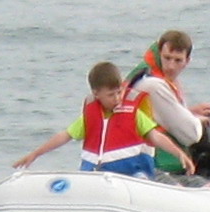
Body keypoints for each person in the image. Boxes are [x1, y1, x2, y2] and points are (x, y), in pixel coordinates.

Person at [11, 60, 191, 178]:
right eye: (111, 95)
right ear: (96, 94)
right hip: (97, 178)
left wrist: (179, 153)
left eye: (119, 92)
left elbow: (155, 136)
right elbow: (64, 136)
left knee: (142, 179)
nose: (118, 98)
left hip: (131, 176)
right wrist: (35, 154)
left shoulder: (133, 113)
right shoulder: (90, 117)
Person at [132, 29, 210, 180]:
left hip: (149, 161)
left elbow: (160, 116)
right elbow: (190, 134)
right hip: (154, 165)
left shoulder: (151, 76)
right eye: (167, 58)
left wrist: (189, 112)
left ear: (187, 61)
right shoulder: (153, 85)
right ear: (159, 54)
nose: (171, 66)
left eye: (178, 60)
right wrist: (199, 121)